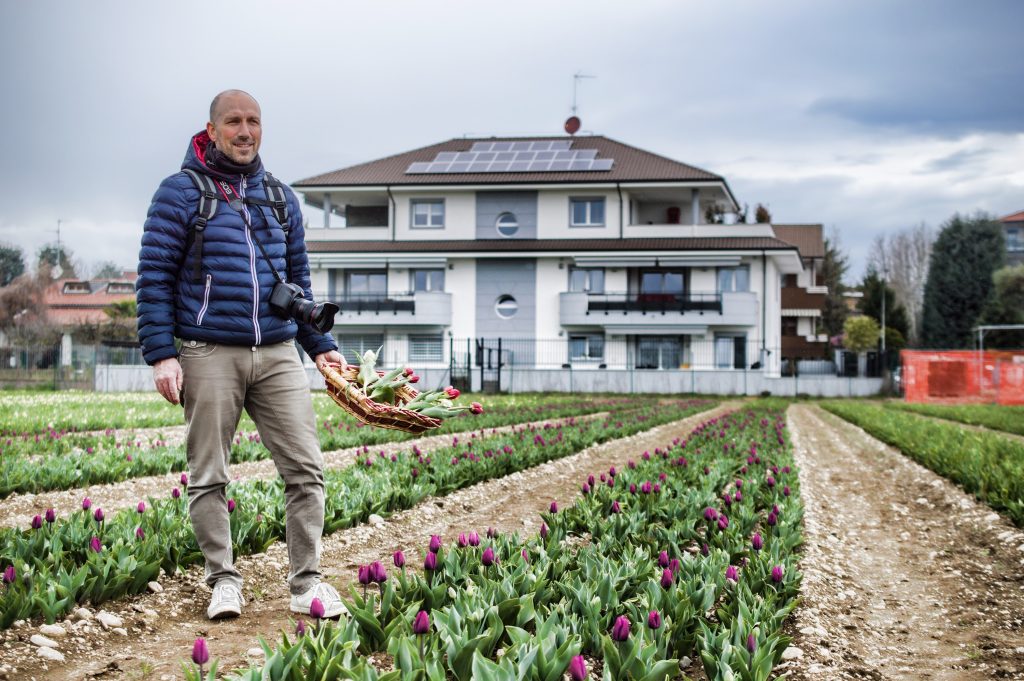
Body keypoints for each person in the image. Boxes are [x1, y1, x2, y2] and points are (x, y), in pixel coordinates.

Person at [136, 89, 346, 620]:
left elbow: (298, 282)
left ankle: (307, 584)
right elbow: (154, 277)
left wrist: (321, 347)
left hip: (277, 351)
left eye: (253, 121)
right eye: (233, 121)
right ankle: (223, 580)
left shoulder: (279, 196)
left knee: (306, 469)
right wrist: (162, 353)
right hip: (209, 351)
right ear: (211, 130)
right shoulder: (180, 193)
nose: (245, 131)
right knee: (209, 473)